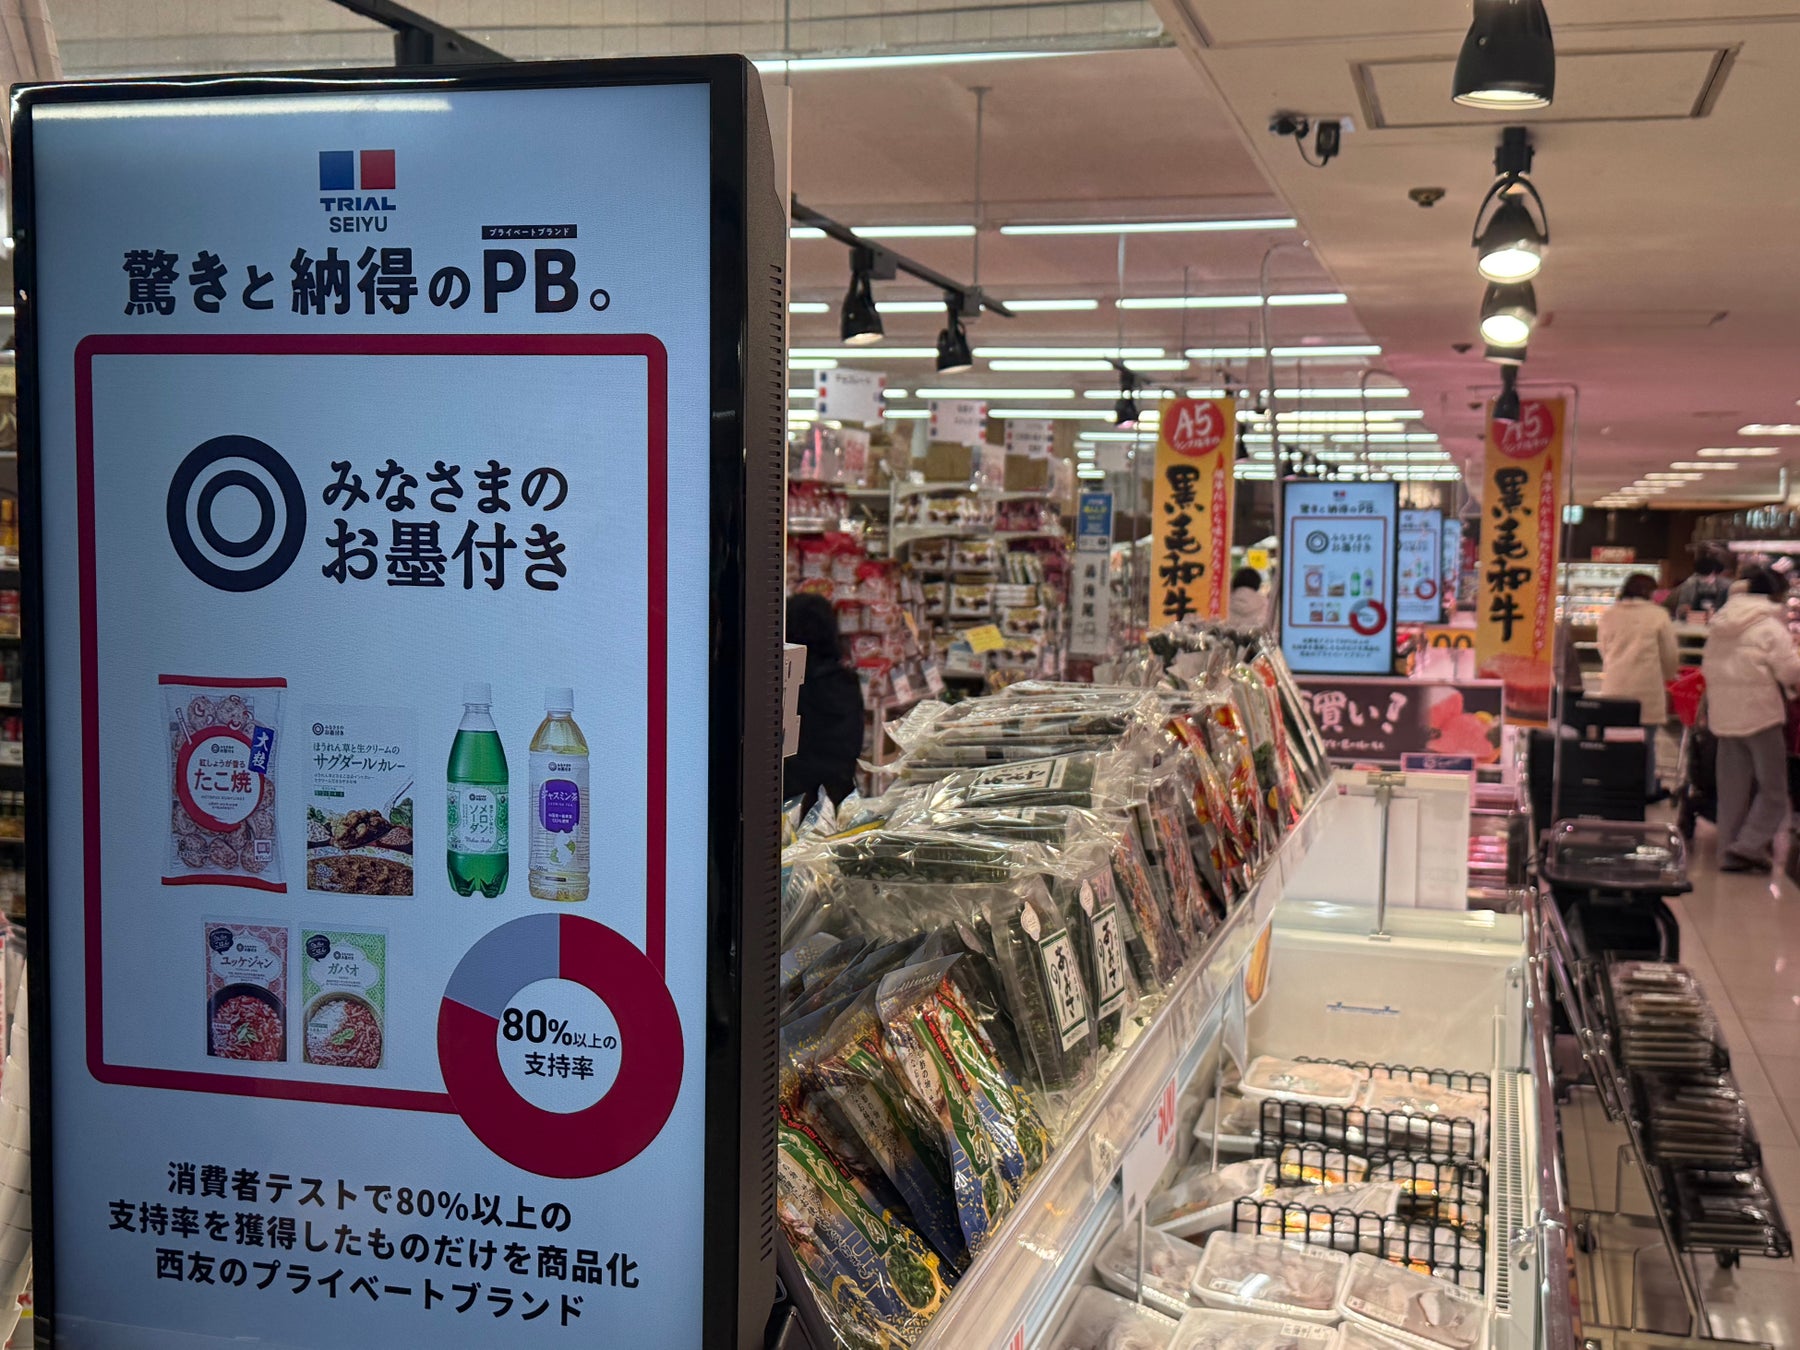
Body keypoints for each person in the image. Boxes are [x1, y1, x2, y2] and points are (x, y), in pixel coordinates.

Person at [1699, 566, 1800, 872]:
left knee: (1732, 793)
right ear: (1776, 593)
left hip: (1724, 716)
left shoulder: (1721, 622)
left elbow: (1707, 666)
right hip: (1761, 716)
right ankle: (1748, 845)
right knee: (1774, 791)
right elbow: (1790, 671)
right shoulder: (1769, 625)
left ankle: (1728, 853)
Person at [1598, 572, 1680, 799]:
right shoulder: (1658, 616)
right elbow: (1670, 655)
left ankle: (1614, 785)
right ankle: (1646, 790)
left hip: (1614, 686)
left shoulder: (1610, 615)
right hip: (1647, 687)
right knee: (1647, 742)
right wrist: (1667, 675)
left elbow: (1603, 647)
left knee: (1615, 740)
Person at [784, 592, 865, 810]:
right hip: (838, 798)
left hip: (790, 802)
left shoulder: (786, 684)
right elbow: (851, 746)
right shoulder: (846, 681)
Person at [1666, 553, 1732, 621]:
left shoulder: (1725, 585)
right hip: (1695, 620)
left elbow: (1729, 607)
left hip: (1717, 620)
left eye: (1708, 575)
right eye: (1702, 575)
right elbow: (1681, 608)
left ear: (1715, 573)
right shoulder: (1689, 584)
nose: (1705, 579)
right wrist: (1684, 609)